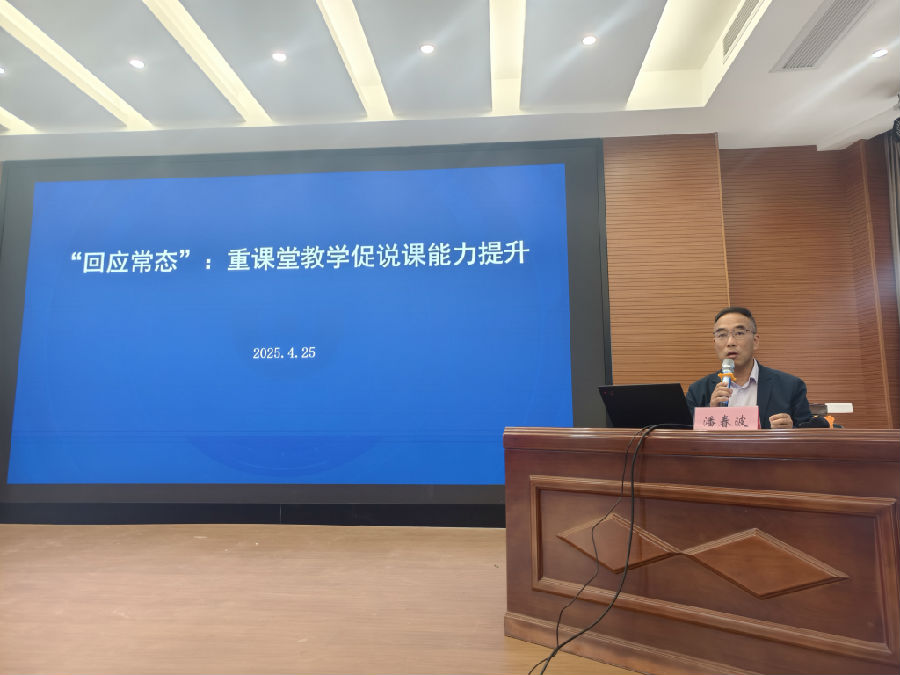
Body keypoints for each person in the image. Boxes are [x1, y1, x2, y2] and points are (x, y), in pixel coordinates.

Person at [686, 307, 811, 429]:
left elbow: (809, 434)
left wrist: (790, 430)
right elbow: (686, 437)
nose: (730, 342)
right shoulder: (697, 391)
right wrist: (711, 411)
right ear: (714, 343)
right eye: (722, 335)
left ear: (755, 341)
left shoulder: (790, 386)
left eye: (739, 333)